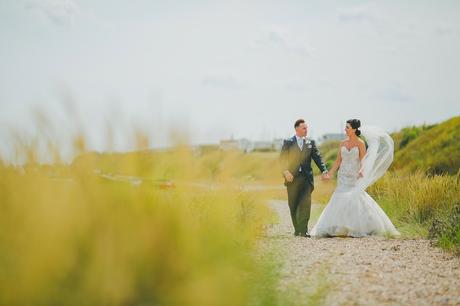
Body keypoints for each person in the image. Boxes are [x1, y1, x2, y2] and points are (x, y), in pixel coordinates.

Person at [310, 119, 400, 237]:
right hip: (342, 176)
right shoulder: (342, 143)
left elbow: (363, 160)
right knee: (339, 198)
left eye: (347, 127)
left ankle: (360, 226)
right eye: (345, 127)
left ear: (354, 129)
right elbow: (338, 161)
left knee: (355, 199)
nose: (345, 129)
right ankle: (339, 227)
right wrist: (329, 174)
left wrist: (362, 170)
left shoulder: (360, 143)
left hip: (354, 176)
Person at [280, 119, 329, 237]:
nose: (306, 130)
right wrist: (286, 172)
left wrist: (324, 171)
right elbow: (281, 160)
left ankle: (304, 230)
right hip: (292, 179)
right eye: (304, 128)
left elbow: (318, 158)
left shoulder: (310, 142)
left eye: (306, 128)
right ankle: (297, 229)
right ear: (296, 129)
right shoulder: (288, 142)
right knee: (293, 204)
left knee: (306, 204)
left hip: (307, 179)